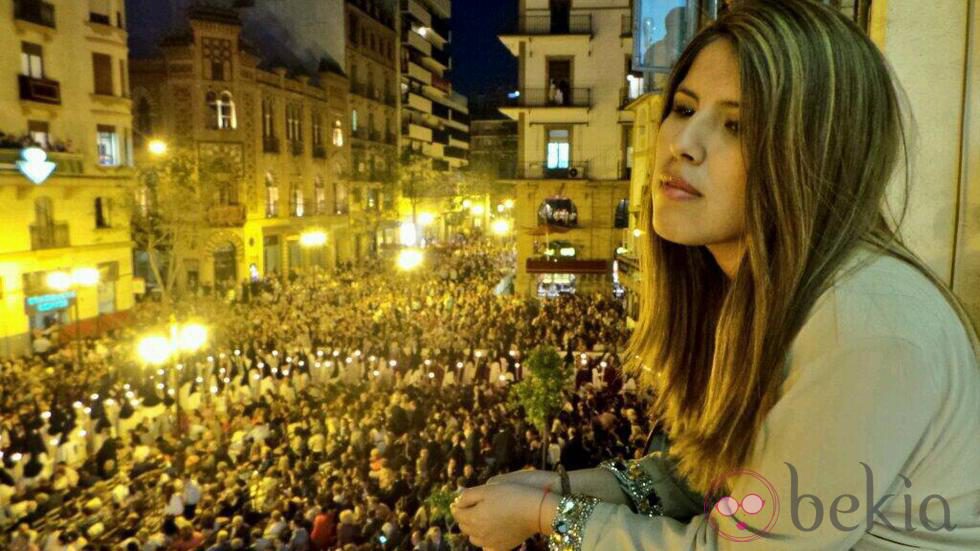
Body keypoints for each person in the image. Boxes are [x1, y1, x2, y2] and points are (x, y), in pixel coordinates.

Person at [451, 1, 980, 549]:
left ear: (817, 152)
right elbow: (715, 479)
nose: (683, 143)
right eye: (683, 109)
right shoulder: (761, 296)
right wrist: (557, 487)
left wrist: (549, 516)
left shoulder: (863, 323)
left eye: (737, 125)